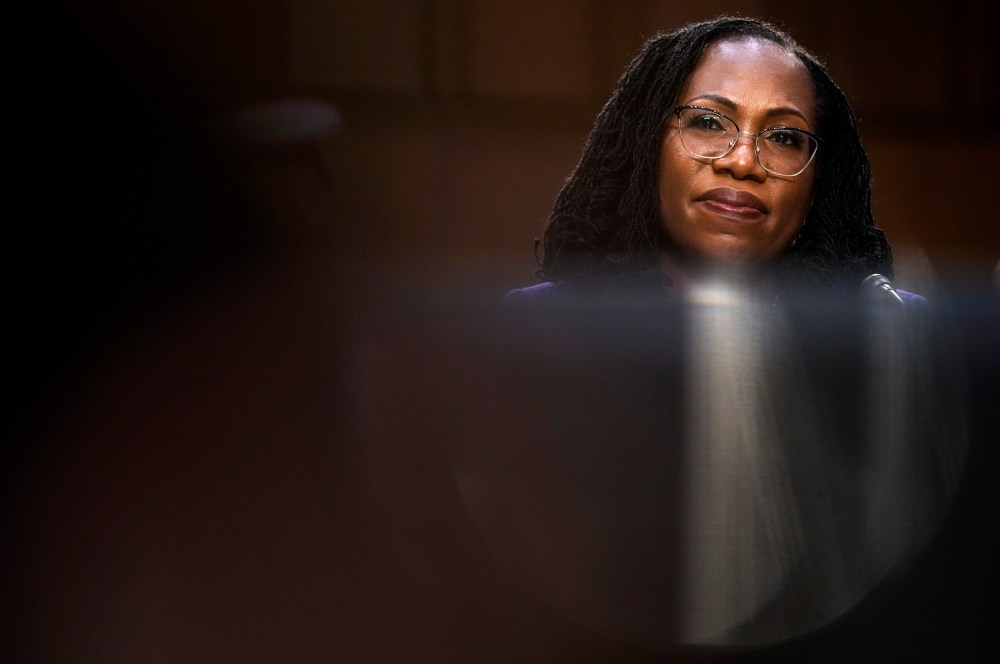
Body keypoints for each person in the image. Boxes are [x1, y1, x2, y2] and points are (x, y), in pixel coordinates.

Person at [507, 16, 922, 306]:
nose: (742, 162)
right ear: (645, 148)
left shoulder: (892, 327)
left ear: (818, 183)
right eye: (708, 122)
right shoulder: (542, 323)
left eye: (783, 136)